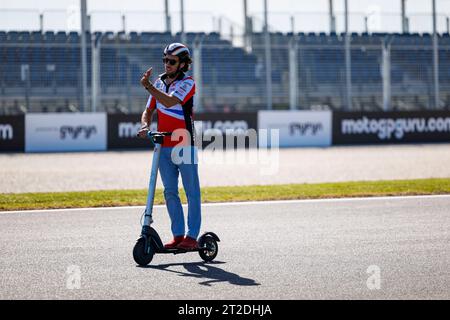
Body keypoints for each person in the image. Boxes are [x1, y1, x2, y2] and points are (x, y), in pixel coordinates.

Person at [138, 43, 201, 250]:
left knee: (191, 192)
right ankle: (178, 234)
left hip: (185, 143)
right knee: (170, 192)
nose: (166, 64)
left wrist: (149, 87)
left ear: (182, 64)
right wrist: (145, 124)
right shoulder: (159, 82)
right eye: (164, 60)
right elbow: (149, 109)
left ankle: (192, 236)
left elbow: (169, 102)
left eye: (171, 61)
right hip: (163, 145)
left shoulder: (188, 82)